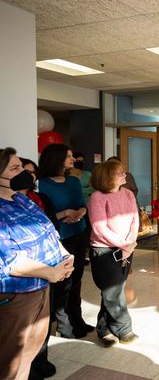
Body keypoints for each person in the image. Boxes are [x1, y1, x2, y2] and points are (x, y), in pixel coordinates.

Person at [0, 147, 74, 380]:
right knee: (10, 360)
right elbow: (8, 260)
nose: (23, 172)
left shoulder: (22, 199)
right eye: (15, 168)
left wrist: (65, 257)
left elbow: (49, 231)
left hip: (41, 289)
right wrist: (51, 272)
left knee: (29, 353)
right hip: (17, 296)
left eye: (21, 166)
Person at [38, 144, 93, 339]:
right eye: (69, 156)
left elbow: (83, 205)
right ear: (56, 159)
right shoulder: (42, 184)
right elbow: (42, 215)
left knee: (76, 279)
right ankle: (63, 324)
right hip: (59, 239)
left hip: (78, 233)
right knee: (62, 282)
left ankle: (77, 319)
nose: (73, 159)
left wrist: (80, 213)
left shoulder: (73, 182)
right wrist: (64, 214)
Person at [87, 159, 139, 347]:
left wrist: (130, 243)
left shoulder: (127, 194)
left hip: (127, 248)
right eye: (120, 173)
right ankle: (124, 328)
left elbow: (135, 218)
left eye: (123, 172)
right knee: (113, 292)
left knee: (112, 291)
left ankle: (103, 329)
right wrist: (124, 244)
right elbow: (99, 227)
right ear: (107, 177)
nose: (125, 175)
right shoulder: (97, 198)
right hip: (104, 250)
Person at [19, 158, 58, 379]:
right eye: (22, 171)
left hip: (47, 271)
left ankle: (40, 359)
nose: (29, 176)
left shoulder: (36, 200)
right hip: (23, 277)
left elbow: (51, 228)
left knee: (44, 321)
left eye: (33, 172)